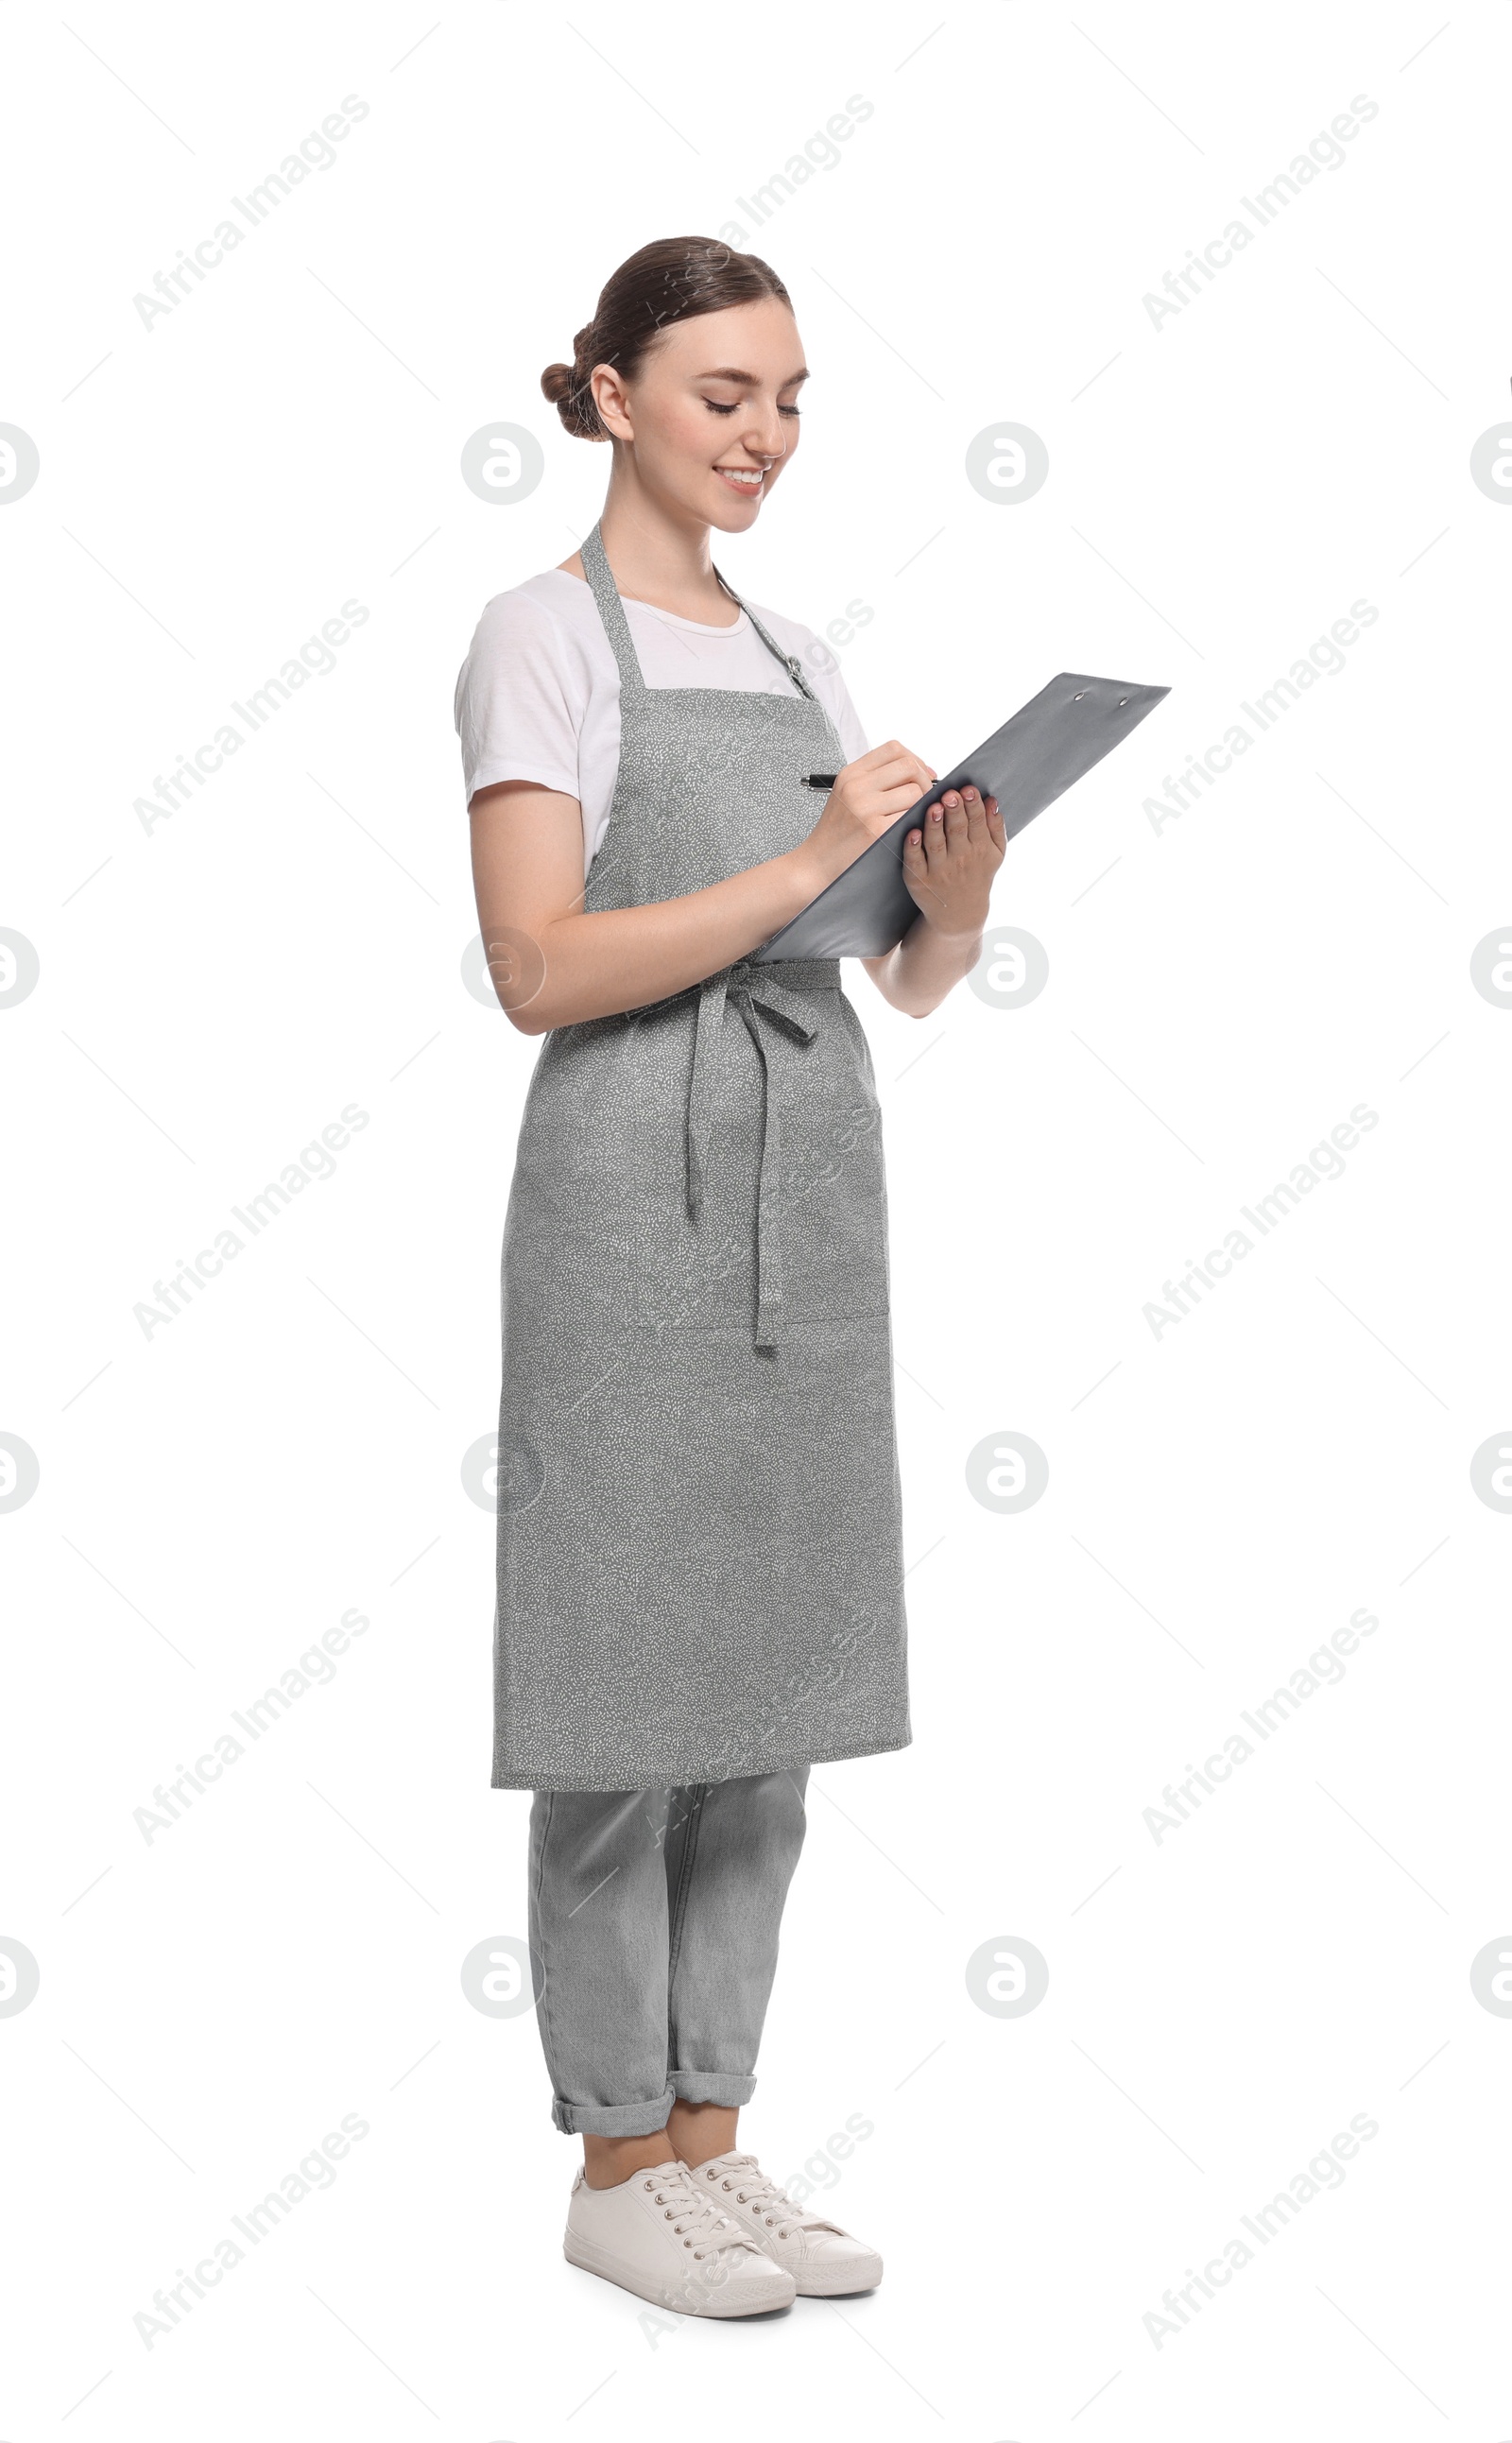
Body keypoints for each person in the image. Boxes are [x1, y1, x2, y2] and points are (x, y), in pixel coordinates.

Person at [455, 235, 1005, 2318]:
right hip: (623, 1187)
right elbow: (535, 967)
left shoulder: (796, 653)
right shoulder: (538, 636)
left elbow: (898, 976)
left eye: (787, 397)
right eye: (717, 394)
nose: (761, 434)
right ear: (606, 395)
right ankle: (612, 2156)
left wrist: (943, 897)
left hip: (807, 1186)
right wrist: (796, 863)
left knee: (763, 1691)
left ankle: (714, 2134)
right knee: (623, 1683)